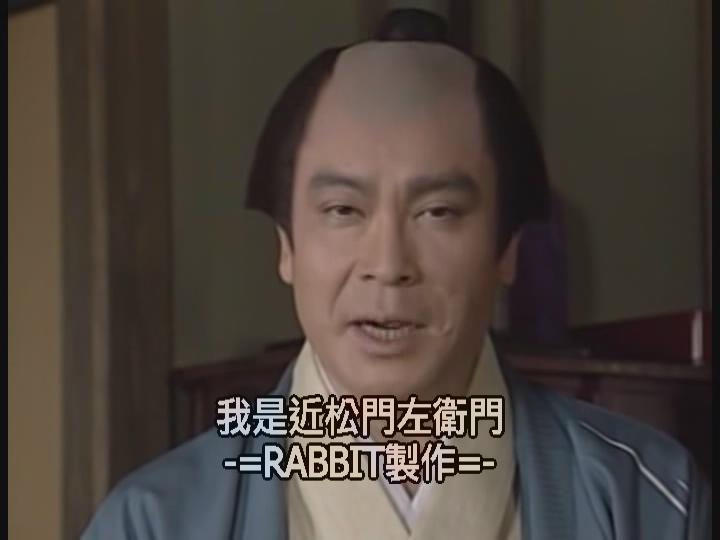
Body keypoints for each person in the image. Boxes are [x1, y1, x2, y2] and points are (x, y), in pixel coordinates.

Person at [82, 9, 711, 540]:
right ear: (286, 246)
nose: (387, 266)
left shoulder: (649, 500)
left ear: (507, 249)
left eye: (438, 212)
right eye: (343, 210)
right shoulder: (155, 521)